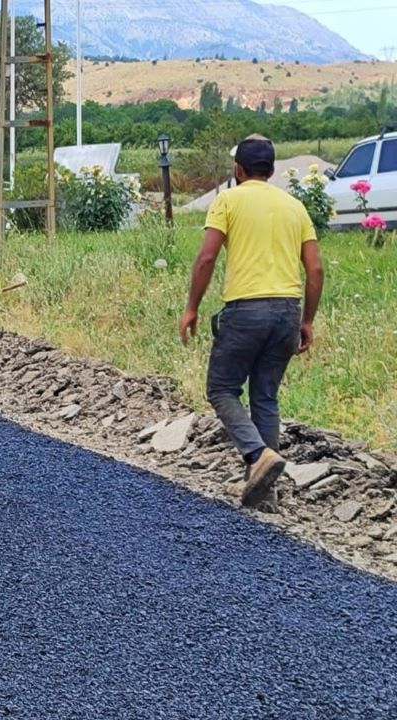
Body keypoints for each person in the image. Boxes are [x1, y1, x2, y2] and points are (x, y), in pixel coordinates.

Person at [179, 134, 324, 509]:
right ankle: (265, 493)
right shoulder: (295, 206)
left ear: (238, 170)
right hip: (287, 311)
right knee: (265, 395)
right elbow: (315, 269)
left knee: (222, 389)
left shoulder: (227, 199)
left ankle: (258, 455)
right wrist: (306, 320)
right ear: (272, 170)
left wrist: (191, 307)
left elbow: (207, 258)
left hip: (246, 311)